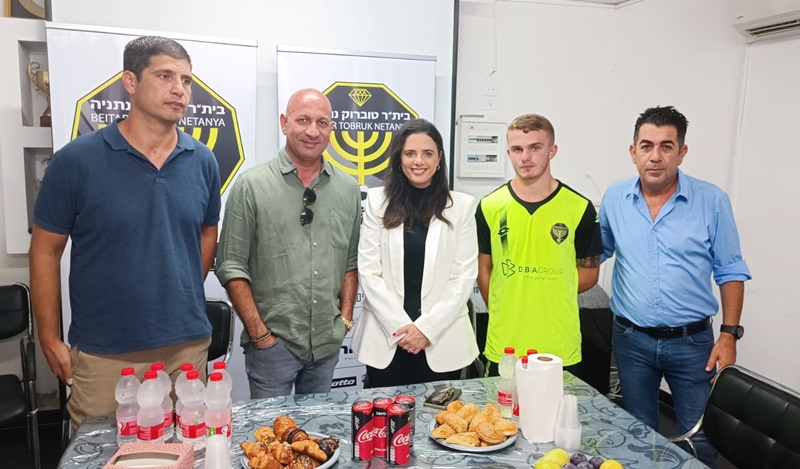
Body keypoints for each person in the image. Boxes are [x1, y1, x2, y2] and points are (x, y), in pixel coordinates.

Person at [29, 36, 221, 430]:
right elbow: (45, 250)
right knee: (102, 452)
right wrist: (48, 337)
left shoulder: (203, 161)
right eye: (165, 76)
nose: (179, 90)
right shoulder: (76, 161)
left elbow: (207, 234)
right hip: (107, 353)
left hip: (186, 346)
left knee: (188, 448)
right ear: (130, 81)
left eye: (186, 80)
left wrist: (177, 288)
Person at [599, 105, 751, 467]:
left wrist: (729, 335)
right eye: (647, 145)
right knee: (638, 433)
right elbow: (595, 253)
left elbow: (730, 269)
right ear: (633, 151)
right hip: (631, 340)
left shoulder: (711, 201)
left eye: (666, 146)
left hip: (693, 345)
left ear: (681, 152)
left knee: (700, 438)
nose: (655, 156)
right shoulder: (614, 199)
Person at [215, 88, 361, 399]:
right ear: (284, 123)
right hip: (272, 347)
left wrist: (345, 319)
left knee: (318, 427)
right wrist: (260, 334)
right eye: (303, 120)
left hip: (326, 344)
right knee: (271, 430)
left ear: (331, 129)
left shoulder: (348, 189)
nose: (313, 131)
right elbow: (231, 265)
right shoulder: (251, 185)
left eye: (322, 122)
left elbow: (350, 261)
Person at [352, 119, 480, 387]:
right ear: (399, 158)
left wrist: (426, 329)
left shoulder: (463, 207)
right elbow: (369, 272)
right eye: (410, 153)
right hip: (386, 340)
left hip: (442, 342)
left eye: (427, 153)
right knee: (385, 413)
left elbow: (463, 277)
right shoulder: (376, 202)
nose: (418, 161)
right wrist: (401, 329)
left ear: (439, 158)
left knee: (439, 414)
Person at [476, 113, 602, 375]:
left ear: (551, 151)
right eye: (517, 149)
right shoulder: (489, 206)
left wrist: (547, 289)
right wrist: (506, 302)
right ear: (508, 153)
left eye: (535, 147)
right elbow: (484, 270)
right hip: (505, 343)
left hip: (559, 344)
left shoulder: (579, 208)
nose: (526, 157)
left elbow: (589, 274)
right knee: (502, 403)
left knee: (556, 404)